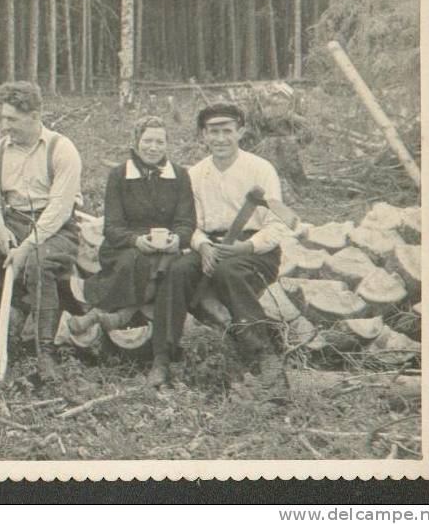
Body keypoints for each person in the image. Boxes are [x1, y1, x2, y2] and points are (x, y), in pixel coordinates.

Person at [0, 81, 82, 380]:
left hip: (55, 229)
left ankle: (45, 351)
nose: (5, 126)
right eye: (3, 118)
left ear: (34, 115)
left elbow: (59, 210)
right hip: (12, 223)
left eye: (12, 119)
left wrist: (27, 246)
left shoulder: (62, 149)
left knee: (38, 264)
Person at [79, 116, 200, 387]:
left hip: (166, 249)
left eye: (160, 141)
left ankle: (112, 316)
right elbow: (112, 226)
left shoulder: (179, 176)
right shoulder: (119, 175)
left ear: (168, 145)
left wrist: (177, 239)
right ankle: (116, 317)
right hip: (127, 245)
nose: (153, 147)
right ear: (136, 142)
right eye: (148, 140)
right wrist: (135, 240)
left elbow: (186, 222)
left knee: (171, 269)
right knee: (136, 261)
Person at [188, 103, 290, 390]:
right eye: (213, 132)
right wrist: (203, 246)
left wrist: (246, 247)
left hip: (257, 251)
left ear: (240, 132)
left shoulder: (261, 170)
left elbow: (279, 224)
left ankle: (263, 353)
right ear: (203, 135)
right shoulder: (195, 175)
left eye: (227, 131)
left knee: (229, 272)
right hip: (212, 246)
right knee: (178, 270)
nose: (220, 139)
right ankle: (167, 353)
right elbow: (189, 224)